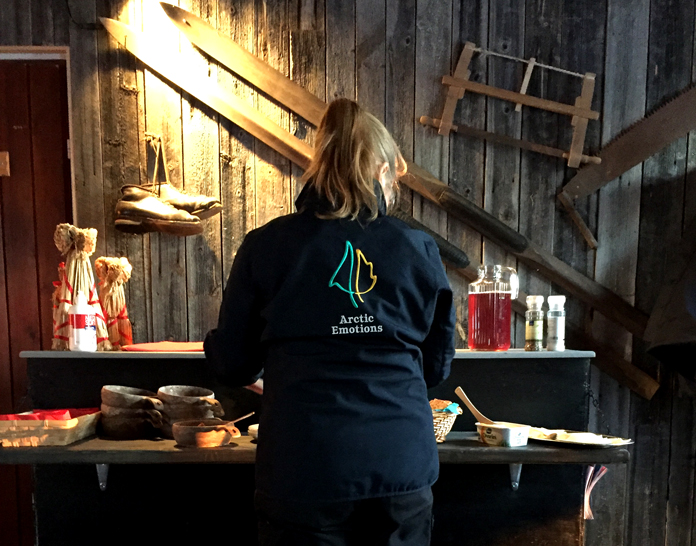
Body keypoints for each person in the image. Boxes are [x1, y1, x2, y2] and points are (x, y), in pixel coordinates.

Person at [204, 97, 456, 546]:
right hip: (398, 462)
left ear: (318, 165)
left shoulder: (266, 246)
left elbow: (233, 365)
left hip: (303, 464)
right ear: (382, 170)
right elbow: (435, 368)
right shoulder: (417, 249)